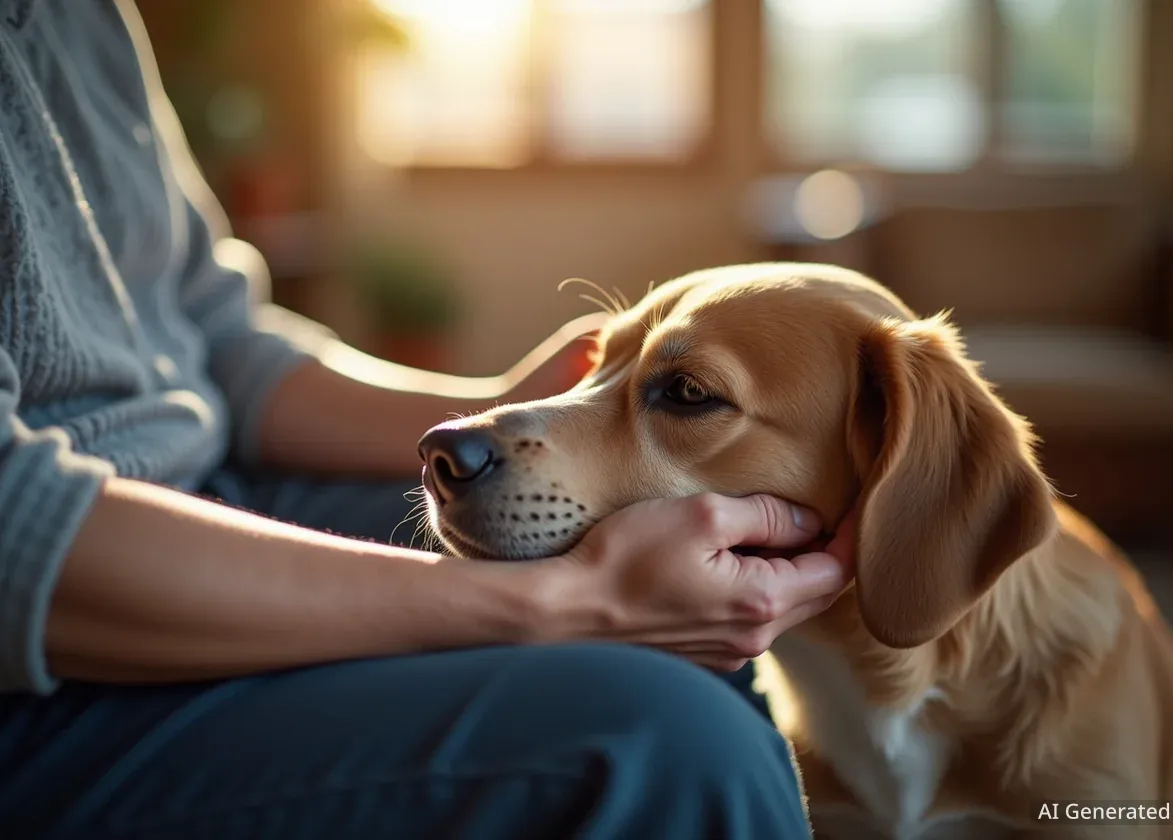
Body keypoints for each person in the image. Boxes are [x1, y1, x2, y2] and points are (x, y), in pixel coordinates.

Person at [0, 2, 854, 838]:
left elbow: (218, 340)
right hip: (42, 673)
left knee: (686, 612)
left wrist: (498, 410)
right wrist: (556, 603)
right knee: (668, 745)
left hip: (204, 488)